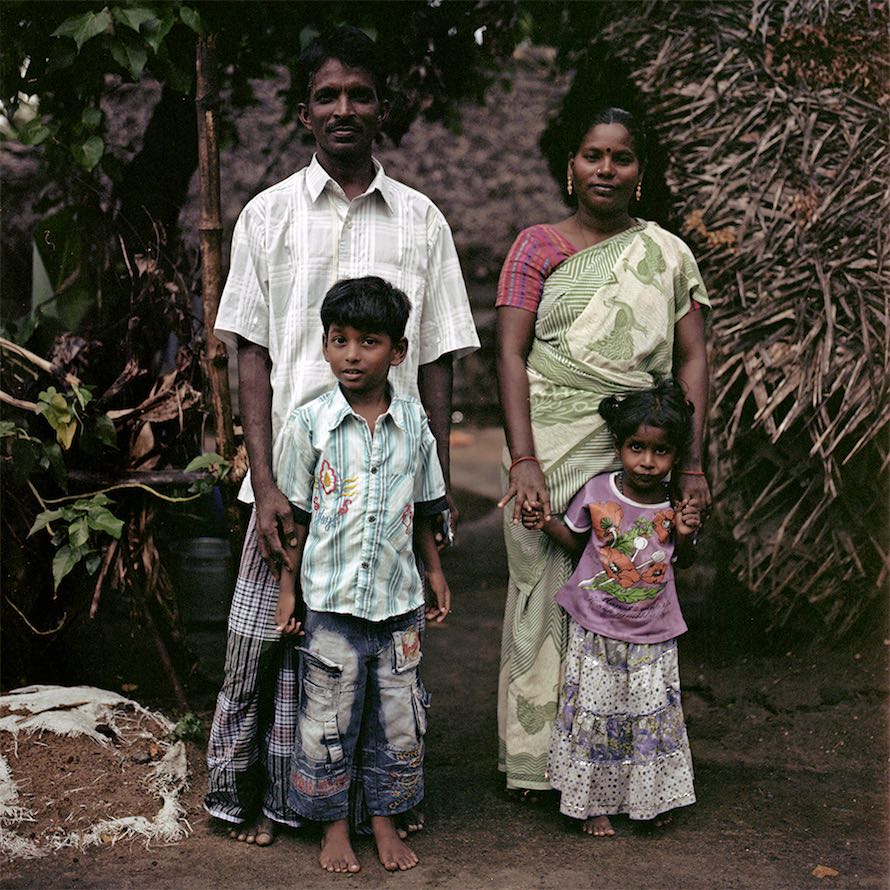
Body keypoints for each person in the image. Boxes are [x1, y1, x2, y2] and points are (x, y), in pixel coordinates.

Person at [205, 26, 479, 846]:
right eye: (327, 96)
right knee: (263, 646)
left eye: (360, 93)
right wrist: (267, 484)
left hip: (388, 489)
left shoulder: (422, 222)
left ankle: (373, 807)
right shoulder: (267, 217)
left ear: (382, 108)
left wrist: (427, 500)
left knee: (377, 659)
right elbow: (250, 356)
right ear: (303, 113)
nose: (344, 108)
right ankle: (255, 798)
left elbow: (434, 360)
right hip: (288, 481)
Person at [495, 104, 711, 798]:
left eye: (621, 158)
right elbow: (508, 351)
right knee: (541, 593)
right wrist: (524, 459)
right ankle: (533, 762)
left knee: (622, 597)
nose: (606, 169)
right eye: (593, 155)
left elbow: (693, 357)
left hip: (634, 453)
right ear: (571, 165)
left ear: (640, 172)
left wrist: (692, 465)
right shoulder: (536, 246)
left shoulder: (668, 255)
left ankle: (613, 769)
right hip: (547, 446)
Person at [273, 276, 451, 873]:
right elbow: (294, 517)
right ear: (324, 345)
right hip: (330, 604)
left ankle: (382, 819)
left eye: (368, 342)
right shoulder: (309, 425)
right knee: (327, 720)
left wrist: (434, 570)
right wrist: (287, 591)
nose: (352, 354)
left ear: (398, 352)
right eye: (339, 339)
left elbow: (425, 508)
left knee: (398, 717)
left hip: (399, 603)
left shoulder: (415, 428)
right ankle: (331, 827)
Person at [521, 379, 700, 835]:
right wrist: (544, 523)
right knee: (597, 716)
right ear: (619, 446)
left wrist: (684, 531)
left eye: (659, 452)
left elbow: (687, 559)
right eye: (636, 447)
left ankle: (648, 798)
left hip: (651, 633)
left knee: (647, 716)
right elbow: (575, 539)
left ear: (675, 455)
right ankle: (590, 804)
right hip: (597, 627)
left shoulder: (674, 503)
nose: (647, 461)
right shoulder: (599, 491)